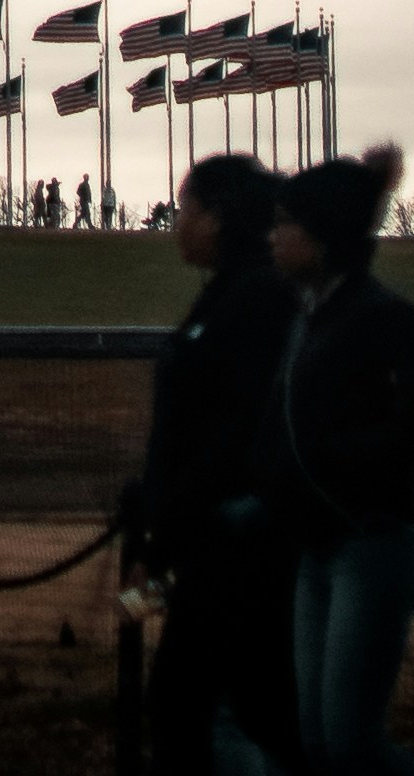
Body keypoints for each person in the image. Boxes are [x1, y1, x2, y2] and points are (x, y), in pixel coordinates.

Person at [254, 150, 414, 776]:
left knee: (351, 744)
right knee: (320, 744)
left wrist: (329, 458)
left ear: (322, 236)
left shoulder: (385, 316)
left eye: (285, 224)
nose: (273, 237)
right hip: (318, 549)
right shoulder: (307, 320)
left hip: (373, 545)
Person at [124, 150, 296, 776]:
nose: (176, 220)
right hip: (207, 541)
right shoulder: (229, 297)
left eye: (186, 207)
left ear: (217, 218)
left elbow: (227, 433)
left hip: (232, 544)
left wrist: (167, 534)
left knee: (198, 713)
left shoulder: (251, 302)